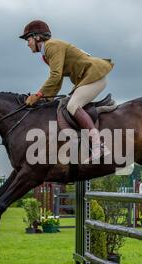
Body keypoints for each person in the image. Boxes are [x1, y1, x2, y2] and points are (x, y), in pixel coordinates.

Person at [19, 20, 114, 162]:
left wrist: (38, 95)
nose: (28, 44)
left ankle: (97, 145)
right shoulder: (47, 52)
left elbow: (55, 75)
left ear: (37, 37)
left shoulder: (51, 46)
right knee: (66, 103)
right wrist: (46, 99)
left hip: (95, 76)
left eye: (28, 39)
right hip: (89, 78)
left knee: (72, 105)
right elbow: (58, 80)